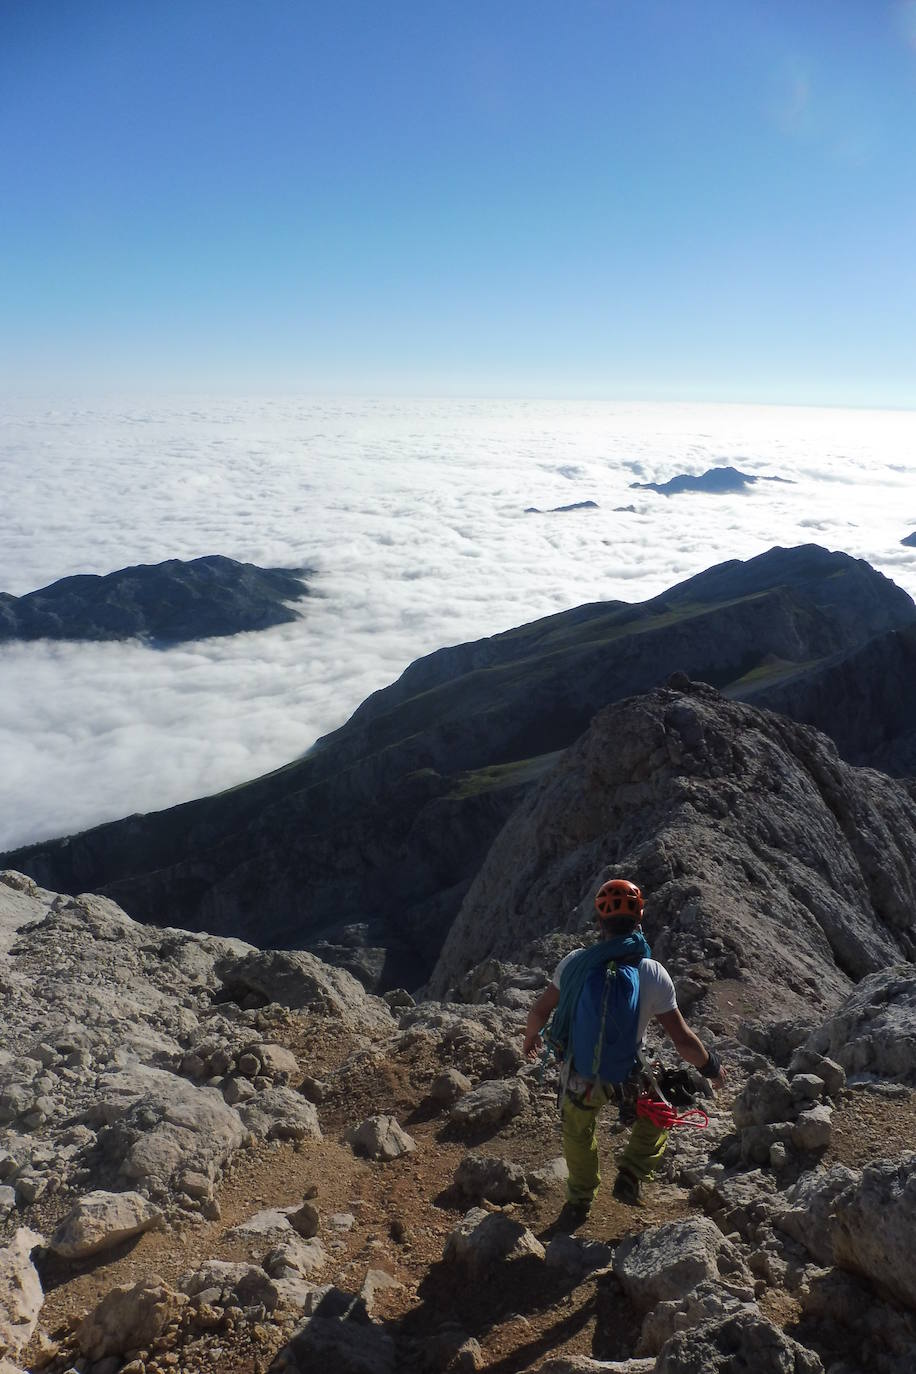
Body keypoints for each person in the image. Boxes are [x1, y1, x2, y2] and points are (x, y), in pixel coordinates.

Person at [523, 877, 726, 1219]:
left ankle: (580, 1198)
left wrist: (531, 1038)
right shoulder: (652, 972)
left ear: (599, 922)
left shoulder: (575, 962)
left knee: (578, 1130)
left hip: (581, 1071)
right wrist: (711, 1066)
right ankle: (630, 1175)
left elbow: (540, 1011)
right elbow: (682, 1040)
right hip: (628, 1072)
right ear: (639, 919)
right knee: (664, 1105)